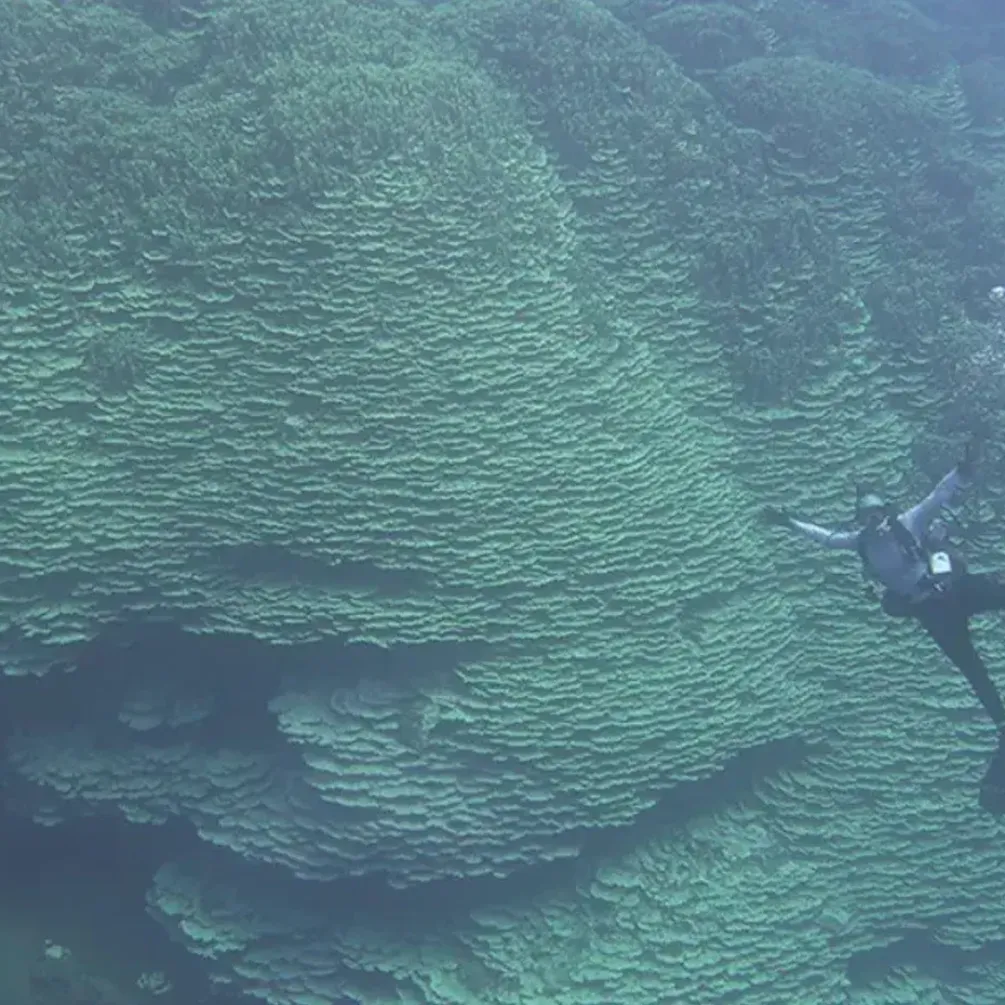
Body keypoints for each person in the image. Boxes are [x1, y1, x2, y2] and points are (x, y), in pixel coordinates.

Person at [762, 441, 1005, 811]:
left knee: (994, 596)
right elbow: (825, 539)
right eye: (865, 517)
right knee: (972, 669)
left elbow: (936, 498)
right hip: (931, 611)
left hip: (949, 592)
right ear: (860, 519)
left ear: (884, 511)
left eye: (875, 514)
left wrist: (963, 472)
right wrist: (789, 522)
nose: (872, 522)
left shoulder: (908, 523)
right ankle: (1002, 723)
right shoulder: (860, 544)